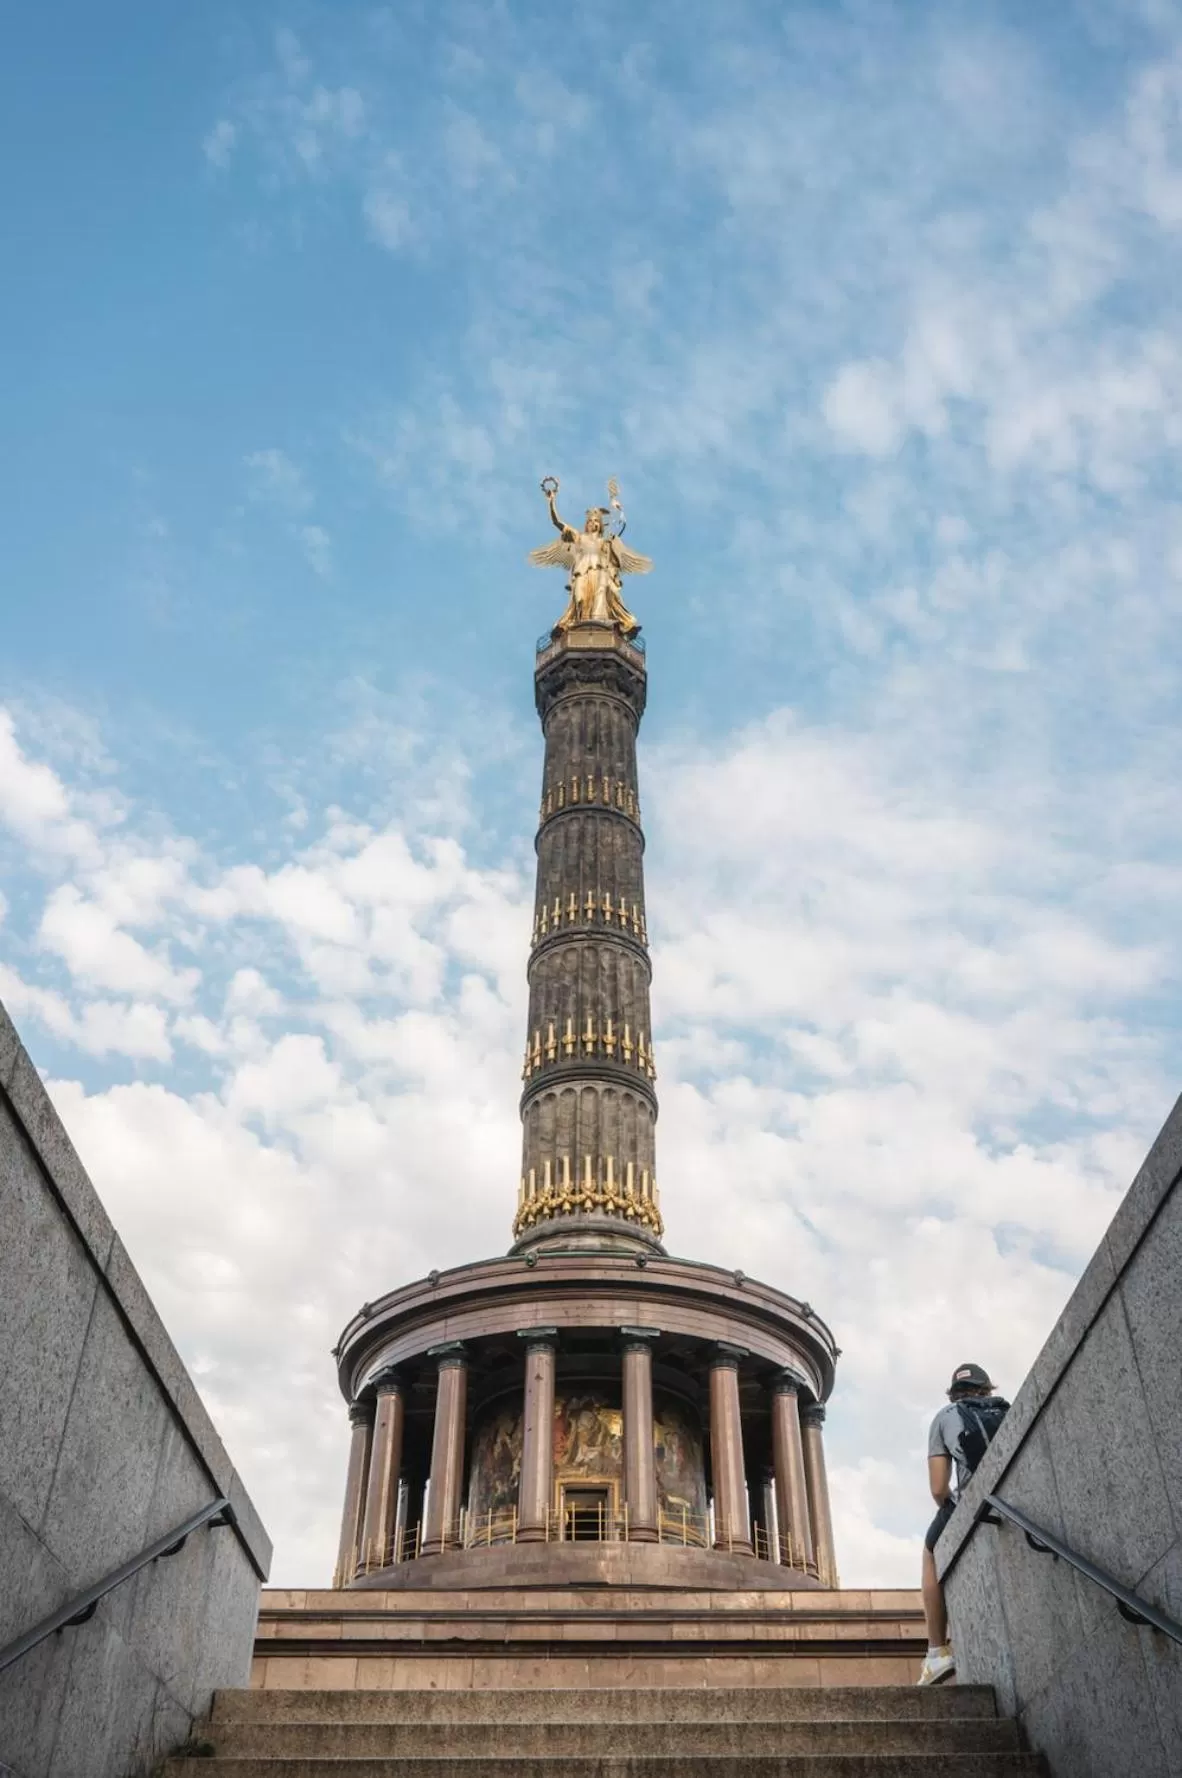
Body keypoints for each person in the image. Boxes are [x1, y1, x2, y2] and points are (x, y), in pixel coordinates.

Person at [917, 1362, 1010, 1686]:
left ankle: (937, 1651)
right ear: (988, 1390)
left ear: (954, 1394)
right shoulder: (1006, 1409)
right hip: (1014, 1494)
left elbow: (939, 1488)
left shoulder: (946, 1416)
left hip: (974, 1499)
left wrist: (950, 1509)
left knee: (930, 1552)